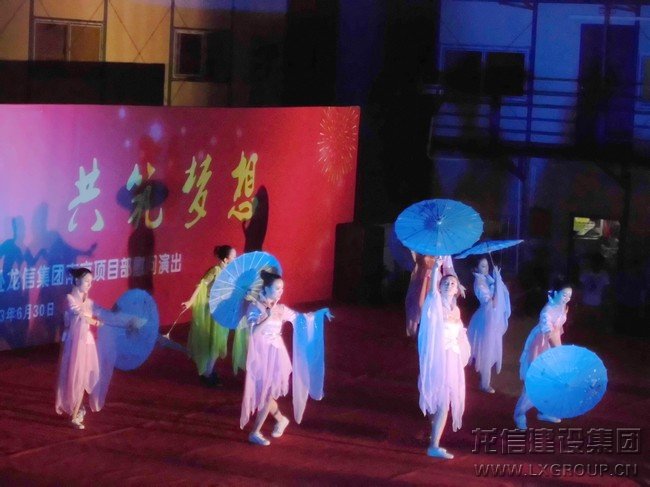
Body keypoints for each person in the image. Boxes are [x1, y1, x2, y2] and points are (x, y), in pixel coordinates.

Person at [241, 269, 333, 446]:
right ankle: (281, 419)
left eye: (282, 288)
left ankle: (255, 432)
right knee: (263, 393)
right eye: (277, 288)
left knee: (267, 394)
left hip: (276, 355)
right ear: (266, 289)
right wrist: (267, 317)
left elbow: (301, 319)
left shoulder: (280, 309)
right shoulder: (255, 307)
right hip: (260, 355)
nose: (280, 292)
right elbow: (253, 332)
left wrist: (319, 314)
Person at [55, 267, 143, 429]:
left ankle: (76, 412)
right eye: (86, 281)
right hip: (73, 344)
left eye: (91, 282)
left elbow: (106, 315)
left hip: (86, 344)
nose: (89, 285)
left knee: (85, 376)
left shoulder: (89, 303)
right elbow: (77, 314)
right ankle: (75, 412)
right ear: (77, 281)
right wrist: (93, 321)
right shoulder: (69, 298)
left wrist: (129, 320)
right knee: (74, 376)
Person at [418, 258, 471, 459]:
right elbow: (432, 292)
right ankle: (434, 444)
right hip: (439, 357)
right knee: (439, 399)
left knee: (444, 399)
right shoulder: (436, 304)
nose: (449, 285)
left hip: (452, 357)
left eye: (453, 283)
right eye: (445, 283)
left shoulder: (456, 310)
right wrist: (436, 268)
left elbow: (459, 332)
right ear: (440, 287)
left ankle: (434, 440)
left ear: (457, 289)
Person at [182, 245, 247, 386]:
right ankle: (207, 373)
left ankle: (208, 371)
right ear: (226, 259)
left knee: (218, 343)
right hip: (212, 311)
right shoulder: (215, 271)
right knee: (213, 343)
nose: (236, 259)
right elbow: (201, 286)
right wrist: (191, 301)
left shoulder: (230, 273)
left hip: (222, 311)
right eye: (233, 257)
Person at [514, 280, 572, 429]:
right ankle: (519, 414)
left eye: (569, 296)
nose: (567, 299)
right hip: (541, 346)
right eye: (564, 295)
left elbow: (557, 330)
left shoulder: (562, 306)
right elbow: (550, 334)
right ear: (556, 293)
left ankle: (545, 410)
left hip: (552, 343)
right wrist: (559, 351)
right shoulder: (547, 312)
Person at [467, 256, 511, 393]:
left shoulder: (488, 279)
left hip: (493, 317)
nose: (486, 268)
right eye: (483, 266)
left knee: (492, 347)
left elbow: (503, 294)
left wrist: (497, 279)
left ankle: (484, 381)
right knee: (487, 349)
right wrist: (497, 282)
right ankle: (485, 383)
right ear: (476, 268)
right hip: (487, 318)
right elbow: (493, 302)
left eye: (487, 265)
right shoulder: (479, 283)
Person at [405, 254, 462, 338]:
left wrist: (456, 283)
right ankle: (418, 333)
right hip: (421, 278)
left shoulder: (444, 250)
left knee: (435, 308)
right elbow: (412, 262)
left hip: (436, 280)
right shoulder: (421, 248)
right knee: (419, 307)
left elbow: (448, 267)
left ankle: (436, 332)